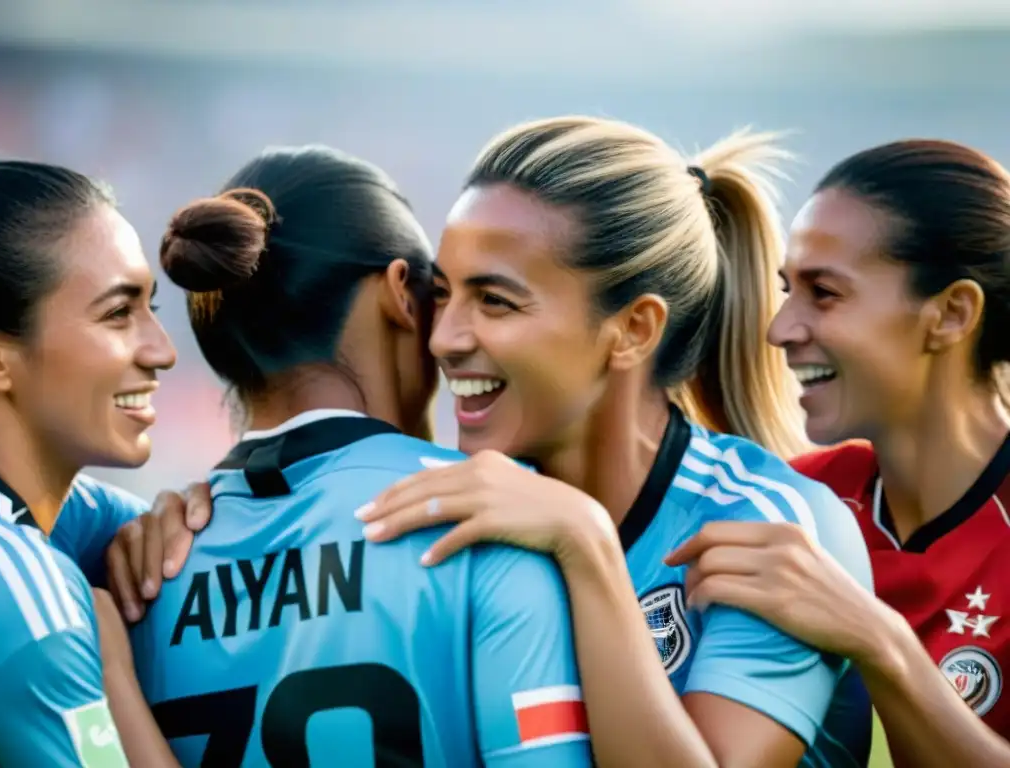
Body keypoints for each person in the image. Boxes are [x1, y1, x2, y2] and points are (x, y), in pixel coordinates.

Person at [116, 119, 874, 766]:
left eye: (496, 301)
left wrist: (588, 545)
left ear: (634, 329)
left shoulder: (768, 525)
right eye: (441, 294)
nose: (442, 338)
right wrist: (206, 512)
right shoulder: (472, 514)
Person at [120, 146, 593, 767]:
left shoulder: (142, 569)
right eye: (438, 294)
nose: (448, 334)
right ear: (402, 292)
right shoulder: (500, 518)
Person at [665, 139, 1010, 768]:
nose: (780, 329)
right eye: (786, 290)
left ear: (952, 314)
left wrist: (876, 638)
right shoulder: (793, 506)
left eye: (824, 293)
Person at [0, 160, 177, 766]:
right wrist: (115, 677)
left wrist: (189, 512)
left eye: (153, 309)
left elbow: (133, 524)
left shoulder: (65, 522)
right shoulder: (19, 588)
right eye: (119, 314)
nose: (163, 351)